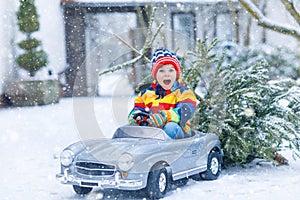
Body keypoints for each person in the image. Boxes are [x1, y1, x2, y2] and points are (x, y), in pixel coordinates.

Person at [128, 48, 197, 139]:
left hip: (179, 134)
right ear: (155, 75)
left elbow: (185, 111)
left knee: (170, 127)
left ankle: (164, 150)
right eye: (161, 71)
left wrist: (164, 117)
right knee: (128, 129)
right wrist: (137, 117)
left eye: (171, 70)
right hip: (152, 133)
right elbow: (137, 108)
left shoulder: (184, 93)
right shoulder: (146, 94)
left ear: (177, 74)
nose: (166, 74)